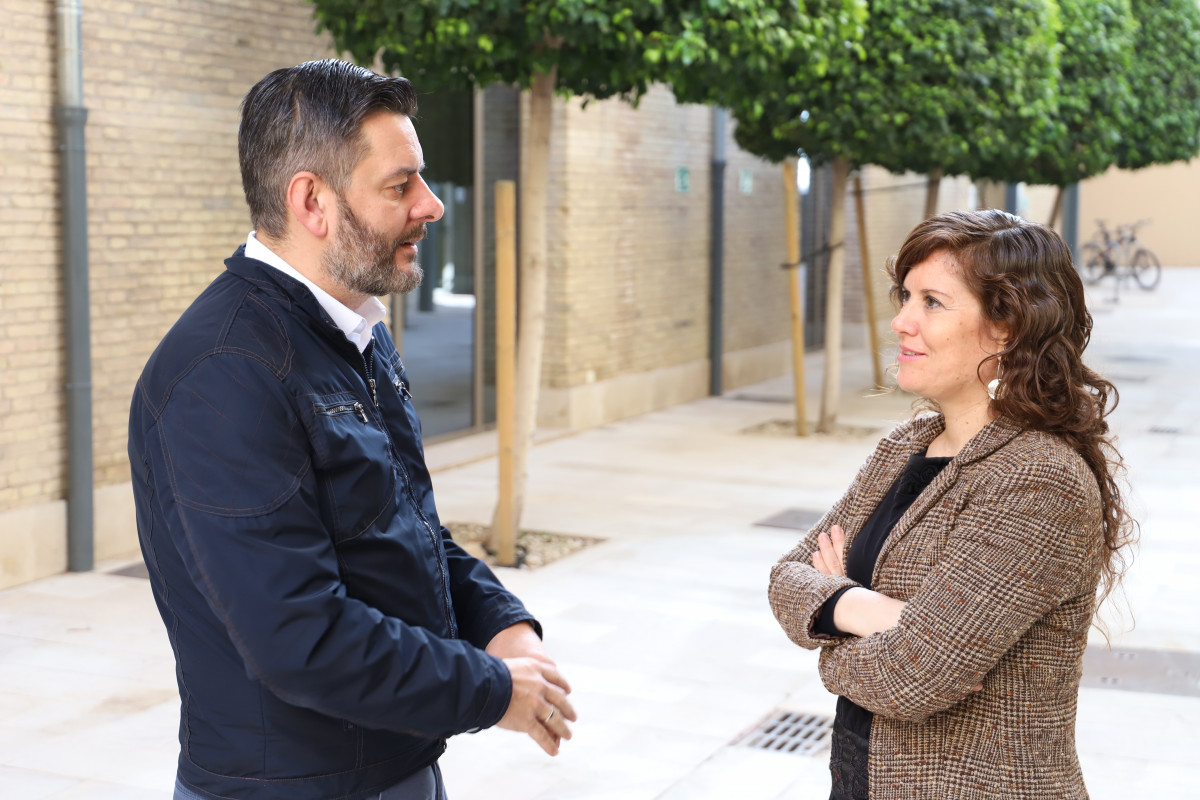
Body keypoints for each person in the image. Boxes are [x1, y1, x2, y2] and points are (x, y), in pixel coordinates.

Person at [128, 59, 575, 800]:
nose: (430, 206)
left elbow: (403, 530)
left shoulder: (354, 331)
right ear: (313, 202)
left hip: (389, 766)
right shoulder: (224, 372)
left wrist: (500, 623)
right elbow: (300, 637)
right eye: (400, 186)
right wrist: (491, 690)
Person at [768, 209, 1136, 800]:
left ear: (1008, 325)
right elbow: (785, 579)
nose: (901, 322)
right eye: (904, 297)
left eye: (932, 303)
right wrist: (870, 611)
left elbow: (913, 675)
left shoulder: (1039, 480)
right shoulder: (904, 448)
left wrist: (832, 625)